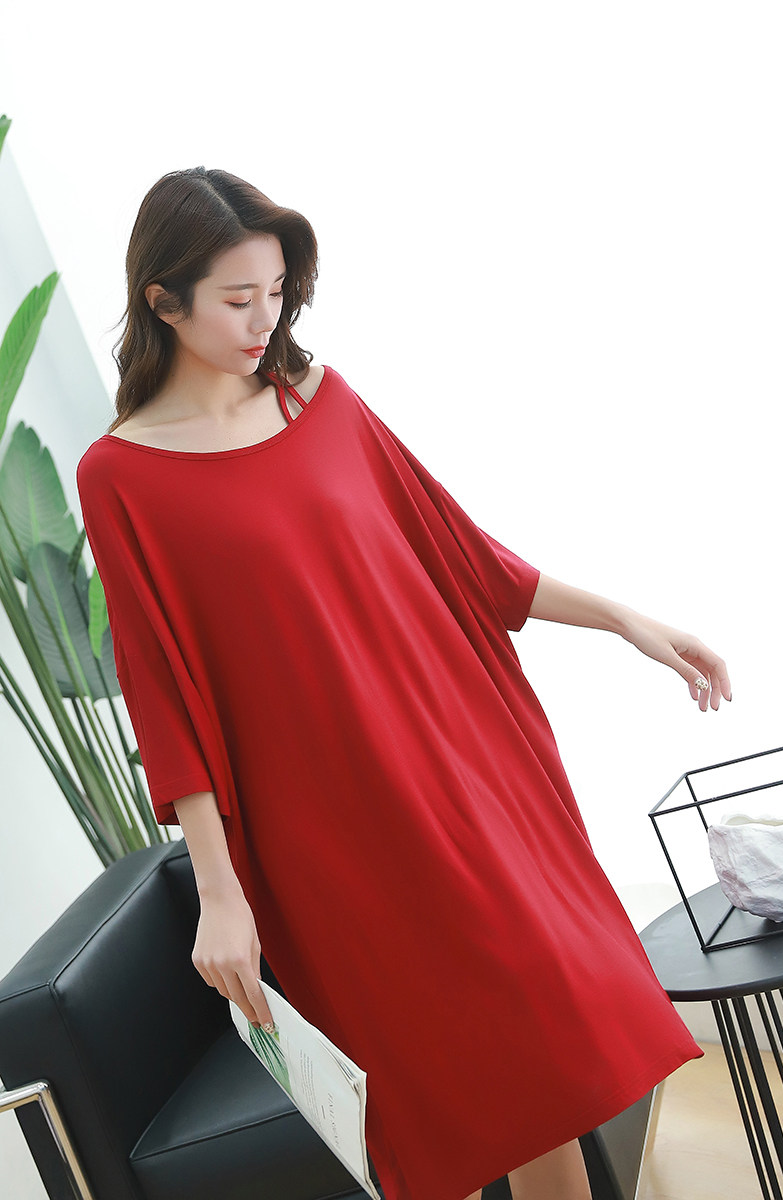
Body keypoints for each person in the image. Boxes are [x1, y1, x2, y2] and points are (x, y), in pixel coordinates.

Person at [76, 167, 731, 1200]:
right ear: (163, 301)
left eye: (277, 291)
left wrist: (624, 620)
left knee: (542, 1066)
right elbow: (165, 695)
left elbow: (461, 554)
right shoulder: (120, 477)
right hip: (325, 839)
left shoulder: (321, 401)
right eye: (237, 299)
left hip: (450, 771)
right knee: (442, 1101)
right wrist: (220, 894)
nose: (265, 319)